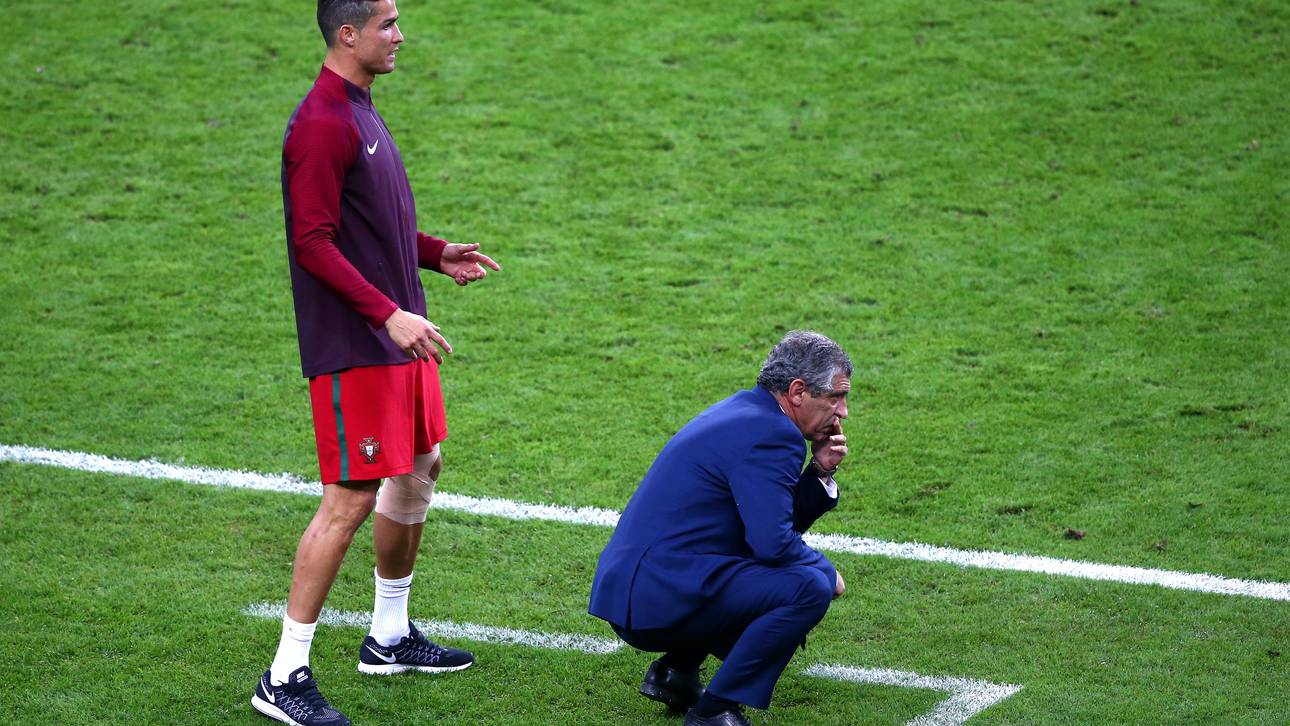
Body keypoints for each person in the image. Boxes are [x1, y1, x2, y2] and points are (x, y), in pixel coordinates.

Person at [251, 2, 500, 724]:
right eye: (388, 23)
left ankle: (387, 636)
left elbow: (373, 218)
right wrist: (386, 314)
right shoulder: (323, 122)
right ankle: (284, 674)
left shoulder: (360, 109)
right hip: (360, 341)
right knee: (351, 497)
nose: (400, 35)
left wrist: (432, 253)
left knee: (421, 463)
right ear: (347, 33)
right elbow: (314, 241)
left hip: (397, 329)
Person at [589, 331, 851, 726]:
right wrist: (826, 573)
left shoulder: (747, 411)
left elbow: (764, 525)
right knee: (808, 587)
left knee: (770, 571)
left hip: (643, 583)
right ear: (798, 391)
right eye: (835, 396)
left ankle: (676, 674)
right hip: (655, 594)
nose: (843, 411)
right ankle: (715, 710)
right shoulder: (774, 435)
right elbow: (773, 545)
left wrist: (819, 472)